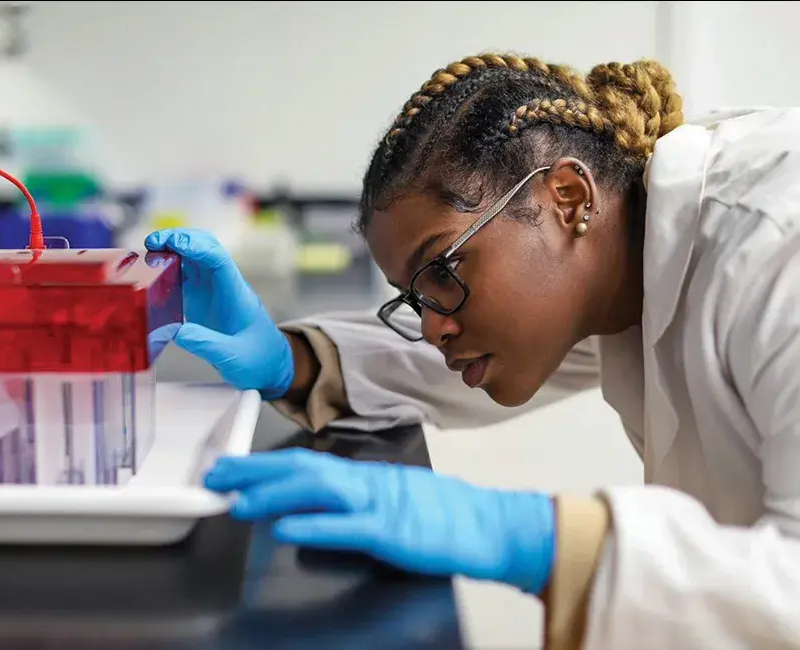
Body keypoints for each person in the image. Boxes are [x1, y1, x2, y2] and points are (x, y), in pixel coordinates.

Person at [145, 52, 800, 649]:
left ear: (566, 198)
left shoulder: (775, 248)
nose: (432, 328)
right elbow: (477, 349)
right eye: (414, 296)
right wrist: (297, 363)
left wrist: (536, 539)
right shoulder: (636, 256)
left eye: (443, 270)